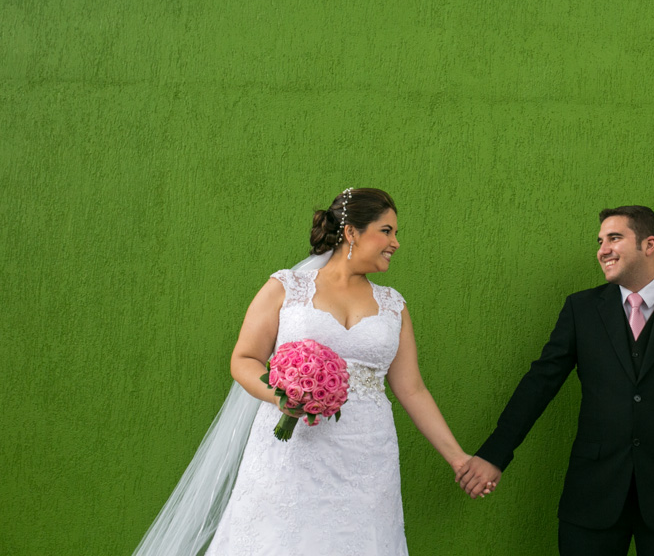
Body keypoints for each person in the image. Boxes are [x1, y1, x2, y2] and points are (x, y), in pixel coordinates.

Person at [135, 188, 491, 556]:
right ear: (352, 232)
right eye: (387, 231)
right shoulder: (286, 288)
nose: (396, 243)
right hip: (291, 453)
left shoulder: (393, 306)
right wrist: (281, 396)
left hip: (367, 456)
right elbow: (244, 359)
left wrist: (458, 458)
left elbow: (412, 389)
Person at [456, 206, 654, 555]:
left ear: (649, 245)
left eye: (614, 238)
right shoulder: (581, 310)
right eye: (600, 240)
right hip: (592, 494)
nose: (602, 249)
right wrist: (494, 454)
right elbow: (539, 384)